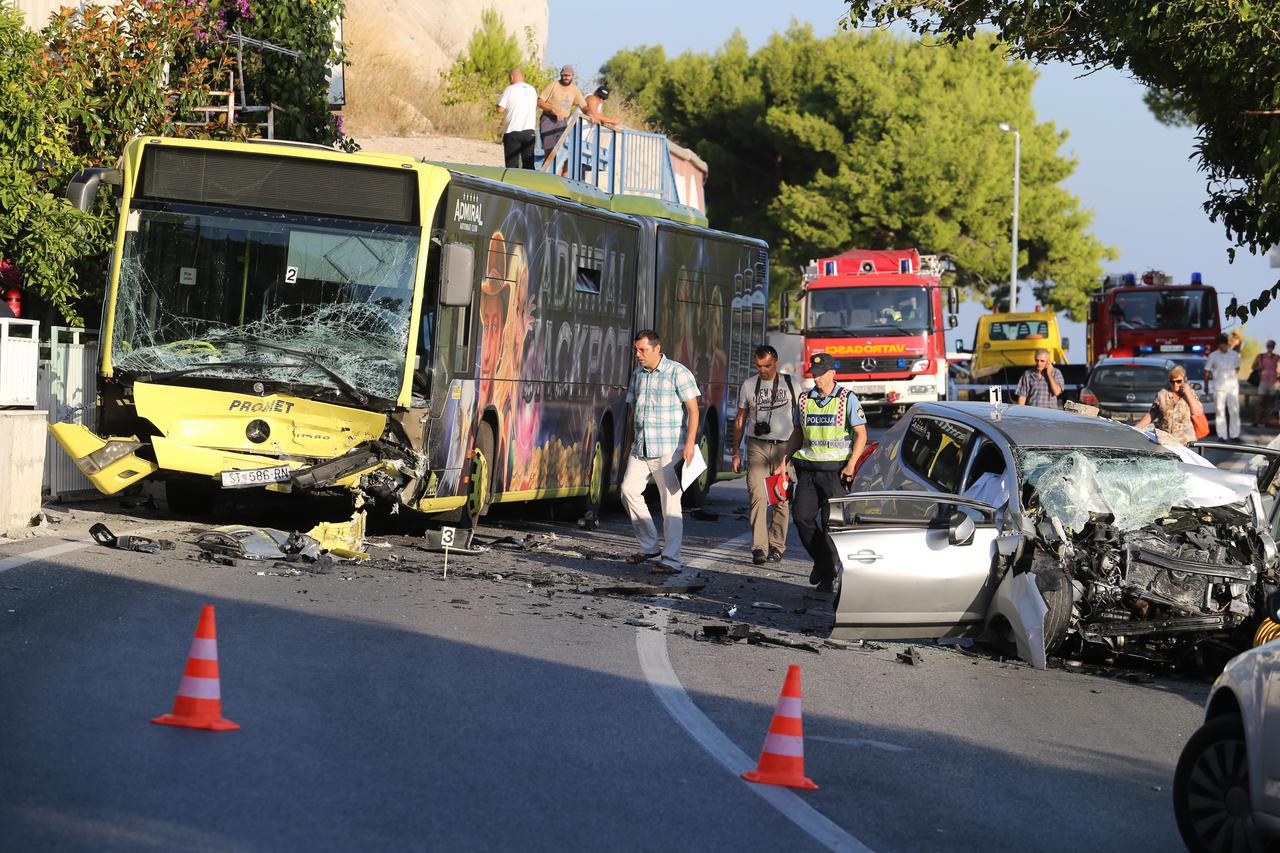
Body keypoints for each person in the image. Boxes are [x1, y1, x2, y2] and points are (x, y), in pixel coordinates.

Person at [775, 352, 867, 593]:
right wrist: (783, 459)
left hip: (835, 472)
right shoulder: (804, 400)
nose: (816, 379)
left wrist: (852, 464)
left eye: (820, 375)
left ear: (832, 373)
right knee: (802, 518)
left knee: (831, 525)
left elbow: (861, 434)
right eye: (813, 375)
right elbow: (797, 433)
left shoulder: (847, 399)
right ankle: (824, 563)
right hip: (807, 470)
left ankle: (827, 574)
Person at [621, 329, 700, 573]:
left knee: (670, 507)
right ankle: (649, 546)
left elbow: (693, 410)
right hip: (641, 447)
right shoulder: (638, 375)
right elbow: (633, 413)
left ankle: (672, 560)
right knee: (628, 491)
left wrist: (689, 444)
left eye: (643, 350)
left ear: (657, 349)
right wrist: (627, 446)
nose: (638, 354)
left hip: (668, 449)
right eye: (636, 350)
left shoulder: (678, 372)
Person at [731, 345, 798, 566]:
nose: (763, 370)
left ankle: (777, 547)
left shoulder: (790, 384)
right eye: (758, 366)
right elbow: (740, 419)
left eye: (767, 366)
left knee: (779, 499)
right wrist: (735, 452)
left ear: (776, 362)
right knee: (758, 496)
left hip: (784, 449)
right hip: (757, 445)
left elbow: (800, 421)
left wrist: (796, 451)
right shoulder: (749, 385)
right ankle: (759, 547)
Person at [1135, 364, 1205, 445]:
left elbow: (1198, 412)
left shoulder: (1191, 394)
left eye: (1178, 381)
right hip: (1165, 441)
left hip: (1186, 442)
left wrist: (1188, 393)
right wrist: (1136, 429)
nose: (1175, 385)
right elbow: (1151, 414)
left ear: (1184, 380)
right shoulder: (1162, 395)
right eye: (1172, 381)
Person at [537, 65, 588, 156]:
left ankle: (553, 169)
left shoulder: (575, 90)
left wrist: (594, 115)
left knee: (560, 151)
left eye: (568, 75)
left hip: (562, 121)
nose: (566, 77)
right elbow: (539, 102)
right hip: (548, 119)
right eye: (564, 75)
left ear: (572, 76)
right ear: (561, 75)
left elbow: (584, 107)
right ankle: (546, 169)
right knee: (549, 150)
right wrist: (552, 109)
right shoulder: (554, 85)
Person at [495, 67, 538, 169]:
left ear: (511, 77)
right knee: (528, 164)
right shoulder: (532, 90)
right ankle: (527, 184)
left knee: (512, 165)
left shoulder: (510, 89)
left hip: (512, 131)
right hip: (529, 132)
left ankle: (511, 183)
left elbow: (500, 109)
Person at [1205, 334, 1242, 440]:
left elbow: (1237, 368)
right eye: (1220, 347)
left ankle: (1235, 435)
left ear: (1227, 345)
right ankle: (1222, 435)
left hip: (1232, 387)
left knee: (1234, 410)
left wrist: (1231, 377)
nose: (1222, 349)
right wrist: (1206, 386)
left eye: (1223, 346)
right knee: (1219, 410)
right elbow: (1207, 371)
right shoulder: (1213, 355)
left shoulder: (1234, 354)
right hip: (1219, 387)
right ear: (1218, 346)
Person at [1252, 340, 1279, 427]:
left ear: (1273, 347)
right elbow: (1253, 367)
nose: (1270, 347)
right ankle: (1256, 420)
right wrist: (1259, 368)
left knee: (1270, 403)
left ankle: (1267, 421)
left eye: (1272, 346)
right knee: (1260, 401)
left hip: (1273, 382)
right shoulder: (1260, 356)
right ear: (1267, 346)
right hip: (1263, 381)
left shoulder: (1277, 357)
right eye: (1269, 346)